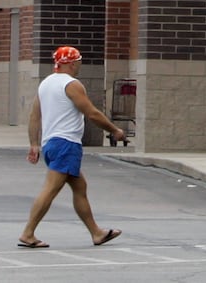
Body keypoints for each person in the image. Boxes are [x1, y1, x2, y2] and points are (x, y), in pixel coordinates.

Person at [17, 45, 129, 249]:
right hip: (66, 143)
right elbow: (92, 112)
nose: (79, 65)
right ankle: (28, 233)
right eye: (77, 61)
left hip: (52, 143)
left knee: (80, 187)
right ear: (70, 63)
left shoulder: (46, 84)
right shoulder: (71, 84)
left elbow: (34, 116)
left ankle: (97, 233)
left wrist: (34, 143)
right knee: (50, 189)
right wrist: (114, 130)